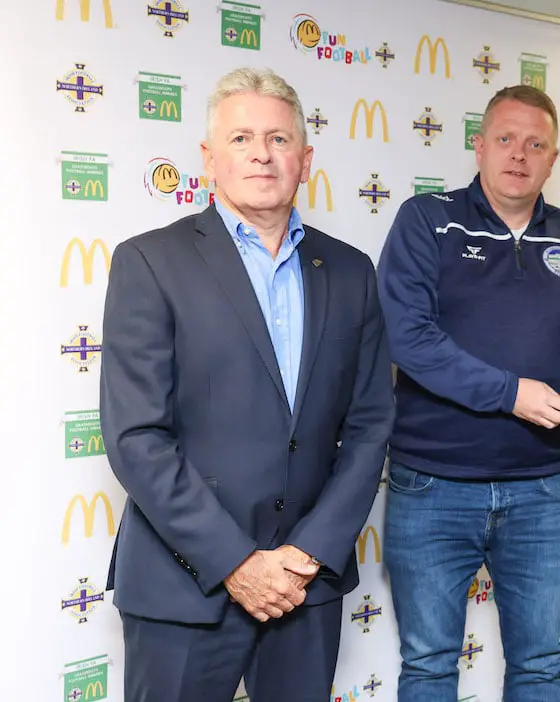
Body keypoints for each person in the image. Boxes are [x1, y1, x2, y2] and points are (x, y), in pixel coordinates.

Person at [99, 67, 394, 702]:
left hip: (305, 584)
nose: (261, 153)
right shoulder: (150, 262)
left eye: (279, 138)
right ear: (209, 159)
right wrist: (236, 563)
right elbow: (135, 437)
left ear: (306, 159)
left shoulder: (350, 271)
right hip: (185, 585)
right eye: (240, 139)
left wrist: (306, 557)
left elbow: (370, 427)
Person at [376, 84, 560, 701]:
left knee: (538, 667)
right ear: (478, 147)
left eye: (536, 144)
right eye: (505, 139)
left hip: (543, 489)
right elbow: (410, 339)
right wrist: (512, 394)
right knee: (428, 665)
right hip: (432, 485)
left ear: (554, 159)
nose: (518, 154)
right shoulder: (427, 220)